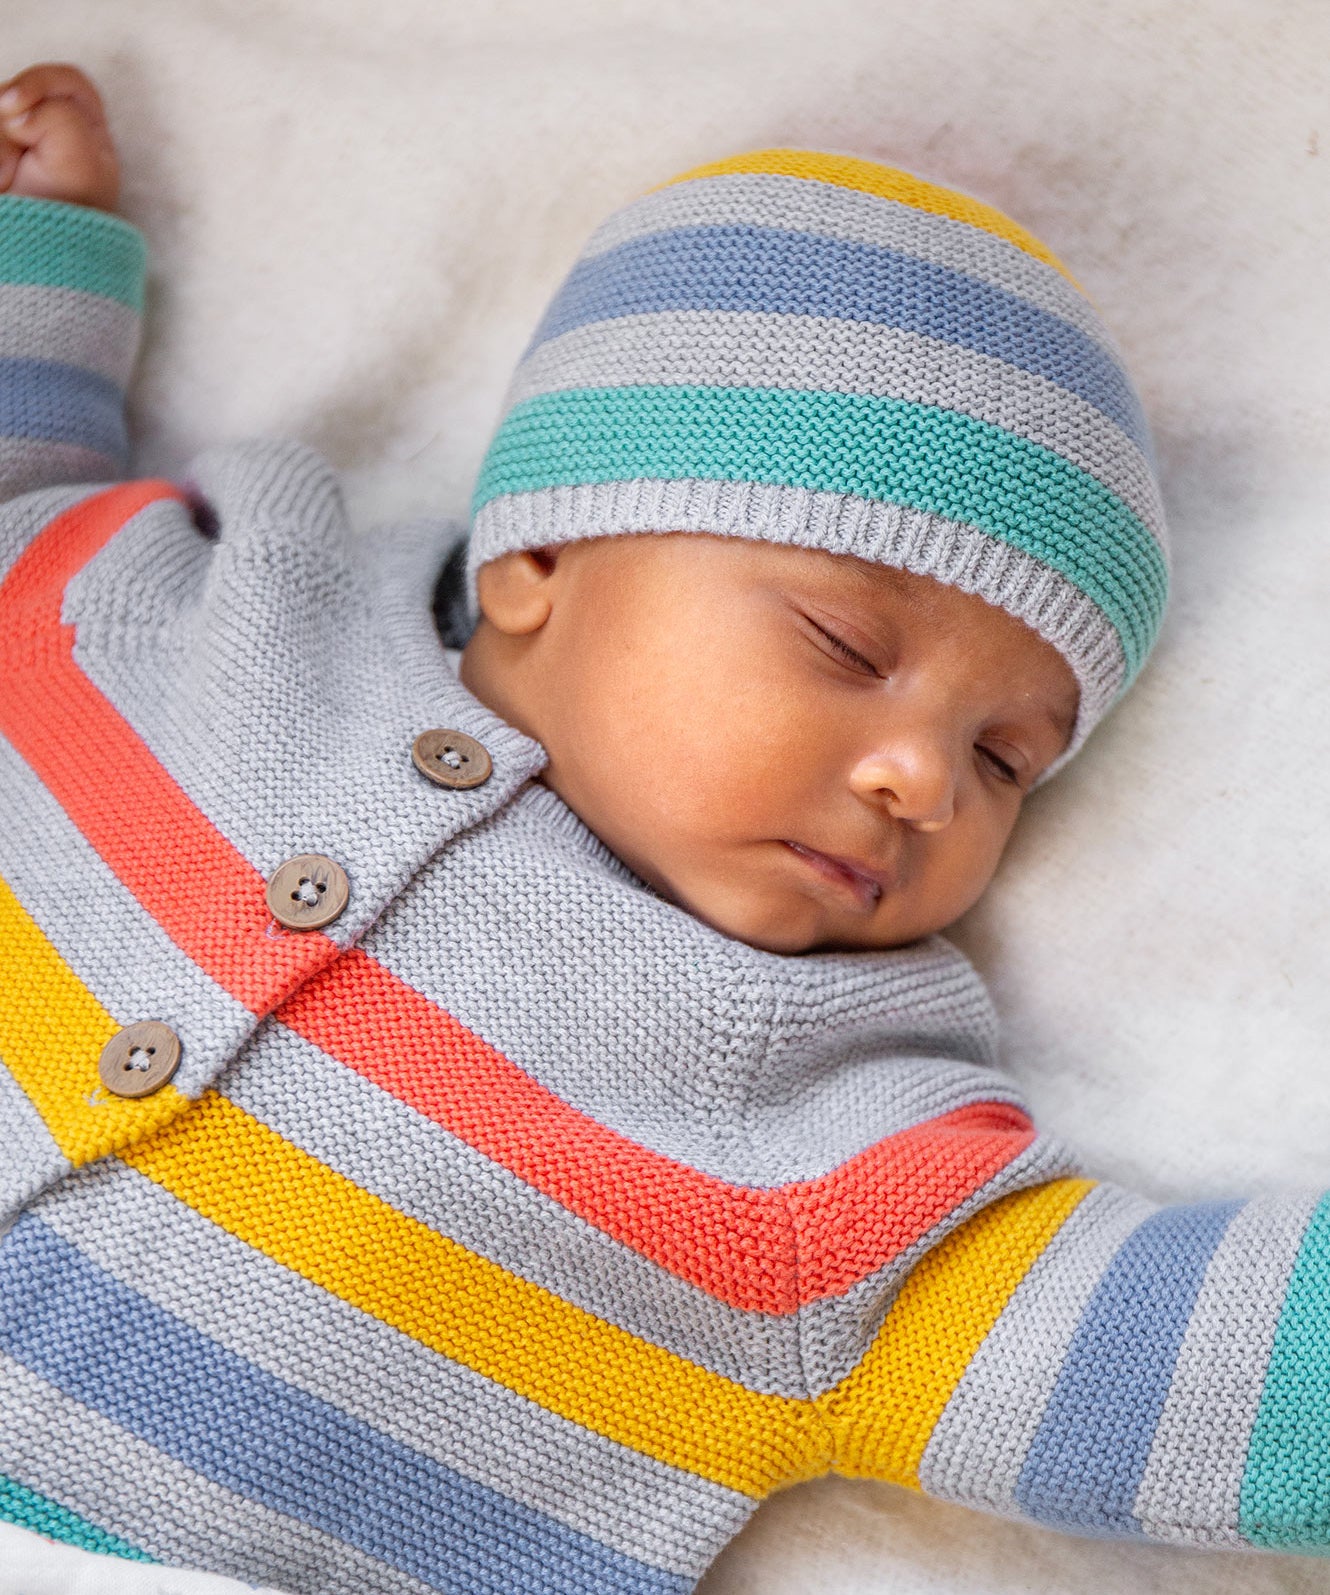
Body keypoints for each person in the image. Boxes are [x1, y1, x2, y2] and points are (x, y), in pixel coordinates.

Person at [0, 58, 1324, 1595]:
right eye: (842, 647)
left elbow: (1167, 1368)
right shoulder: (211, 612)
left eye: (1008, 757)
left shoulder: (811, 1132)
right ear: (539, 561)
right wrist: (43, 268)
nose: (920, 780)